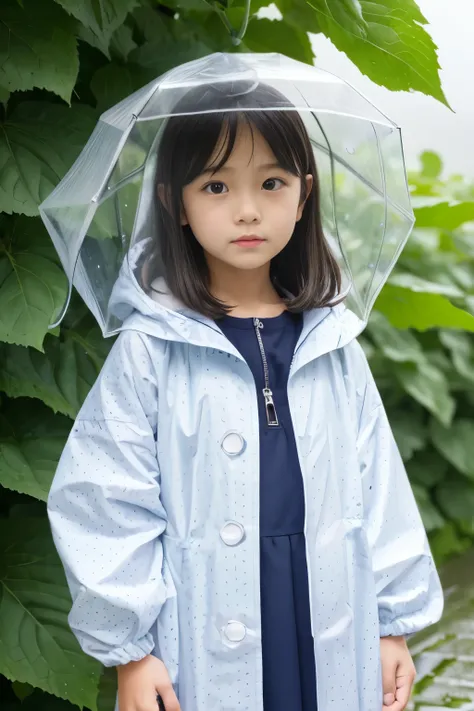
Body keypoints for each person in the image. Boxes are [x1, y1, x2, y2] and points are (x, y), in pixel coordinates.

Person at [47, 81, 443, 711]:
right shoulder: (152, 348)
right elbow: (104, 496)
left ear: (304, 195)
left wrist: (391, 622)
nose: (248, 211)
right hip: (209, 608)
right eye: (215, 186)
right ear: (173, 203)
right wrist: (132, 653)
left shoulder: (333, 342)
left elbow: (380, 488)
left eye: (271, 183)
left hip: (327, 602)